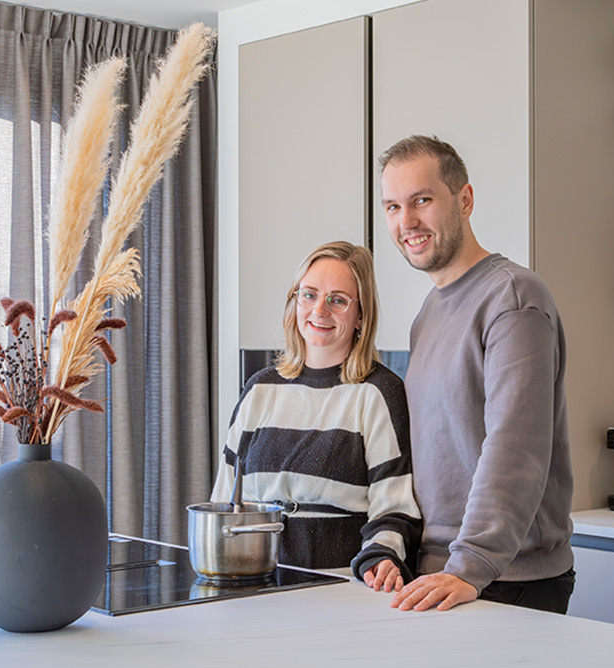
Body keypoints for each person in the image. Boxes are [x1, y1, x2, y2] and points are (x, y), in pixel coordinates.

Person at [378, 135, 575, 614]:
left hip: (504, 578)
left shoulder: (512, 298)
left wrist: (472, 564)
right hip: (440, 573)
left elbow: (516, 445)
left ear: (464, 200)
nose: (407, 222)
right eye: (392, 207)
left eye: (422, 200)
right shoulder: (429, 312)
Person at [211, 241, 421, 589]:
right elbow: (223, 501)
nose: (319, 310)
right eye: (308, 295)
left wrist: (382, 556)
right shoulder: (259, 389)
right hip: (253, 592)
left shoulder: (378, 392)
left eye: (338, 300)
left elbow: (395, 507)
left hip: (338, 593)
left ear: (361, 316)